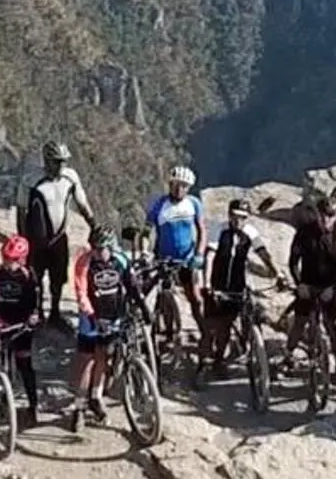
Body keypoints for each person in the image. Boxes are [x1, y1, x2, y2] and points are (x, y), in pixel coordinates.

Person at [200, 197, 281, 382]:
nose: (238, 220)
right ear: (229, 215)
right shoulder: (218, 230)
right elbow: (210, 257)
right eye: (235, 216)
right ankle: (213, 361)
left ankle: (249, 348)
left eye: (243, 217)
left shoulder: (250, 232)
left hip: (238, 283)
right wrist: (206, 283)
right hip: (218, 284)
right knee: (220, 326)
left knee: (249, 312)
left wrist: (277, 273)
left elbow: (263, 254)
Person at [68, 225, 140, 429]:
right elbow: (81, 293)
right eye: (94, 248)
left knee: (103, 357)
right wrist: (92, 316)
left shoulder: (121, 260)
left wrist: (141, 308)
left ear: (111, 247)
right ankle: (79, 407)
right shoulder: (84, 263)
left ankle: (95, 397)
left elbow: (131, 286)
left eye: (101, 249)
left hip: (112, 316)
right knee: (87, 361)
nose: (97, 252)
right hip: (90, 318)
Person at [20, 143, 96, 325]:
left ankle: (54, 312)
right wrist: (22, 239)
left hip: (59, 238)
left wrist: (94, 225)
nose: (61, 166)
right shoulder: (31, 180)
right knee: (35, 277)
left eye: (64, 162)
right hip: (36, 239)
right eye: (57, 162)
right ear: (47, 161)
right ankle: (37, 312)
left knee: (58, 277)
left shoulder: (70, 178)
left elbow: (82, 204)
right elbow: (22, 211)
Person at [286, 191, 336, 383]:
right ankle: (288, 356)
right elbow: (293, 262)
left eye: (331, 215)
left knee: (333, 328)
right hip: (307, 285)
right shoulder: (303, 233)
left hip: (330, 287)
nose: (326, 219)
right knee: (299, 322)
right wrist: (299, 283)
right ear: (316, 214)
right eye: (323, 214)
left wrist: (334, 288)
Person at [0, 234, 47, 421]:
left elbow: (36, 302)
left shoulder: (29, 276)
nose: (6, 263)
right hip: (1, 319)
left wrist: (33, 317)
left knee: (24, 364)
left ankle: (33, 404)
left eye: (11, 260)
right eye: (4, 257)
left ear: (21, 259)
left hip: (21, 324)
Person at [144, 165, 208, 335]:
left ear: (189, 188)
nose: (179, 189)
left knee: (195, 298)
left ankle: (205, 332)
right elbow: (146, 231)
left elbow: (202, 230)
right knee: (165, 296)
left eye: (184, 186)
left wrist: (199, 254)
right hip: (164, 259)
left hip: (187, 258)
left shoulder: (194, 203)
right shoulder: (159, 205)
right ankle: (169, 333)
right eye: (176, 184)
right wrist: (145, 251)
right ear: (170, 184)